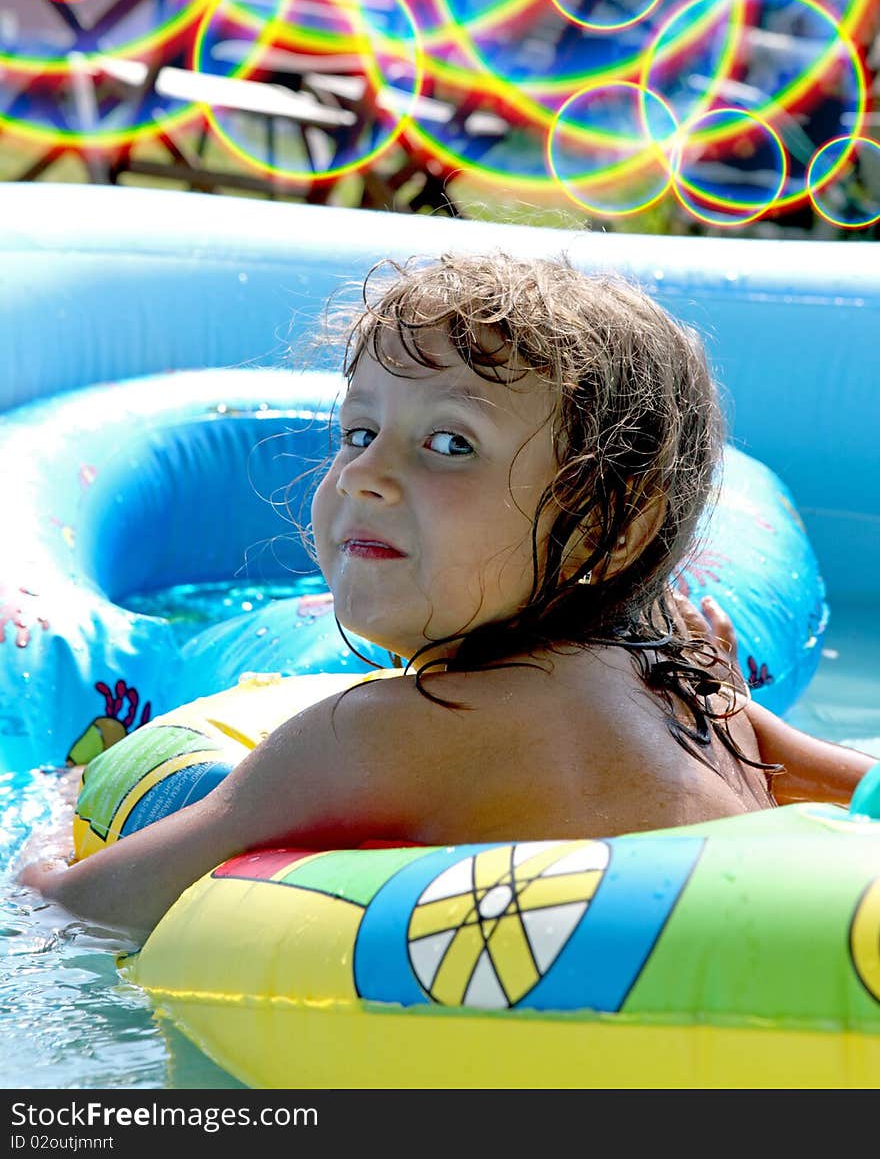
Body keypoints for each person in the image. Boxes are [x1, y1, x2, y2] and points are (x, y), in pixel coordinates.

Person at [18, 252, 876, 946]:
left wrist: (58, 825)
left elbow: (91, 906)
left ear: (606, 528)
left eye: (448, 442)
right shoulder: (697, 697)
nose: (364, 474)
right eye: (357, 432)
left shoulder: (379, 737)